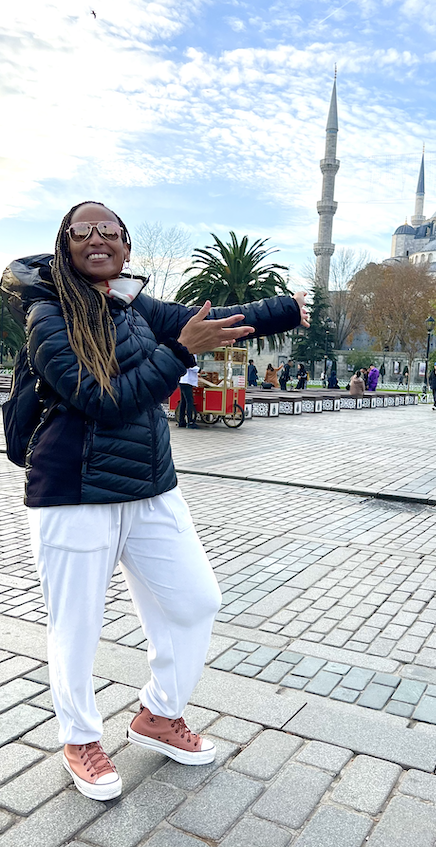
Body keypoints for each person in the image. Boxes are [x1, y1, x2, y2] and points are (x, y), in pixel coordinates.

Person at [2, 201, 309, 802]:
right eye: (82, 232)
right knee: (77, 626)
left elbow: (206, 317)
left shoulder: (135, 304)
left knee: (196, 601)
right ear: (65, 245)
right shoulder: (48, 314)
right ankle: (79, 737)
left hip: (149, 487)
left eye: (109, 231)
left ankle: (159, 714)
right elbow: (101, 398)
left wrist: (280, 311)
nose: (97, 239)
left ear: (126, 244)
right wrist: (181, 352)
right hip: (74, 491)